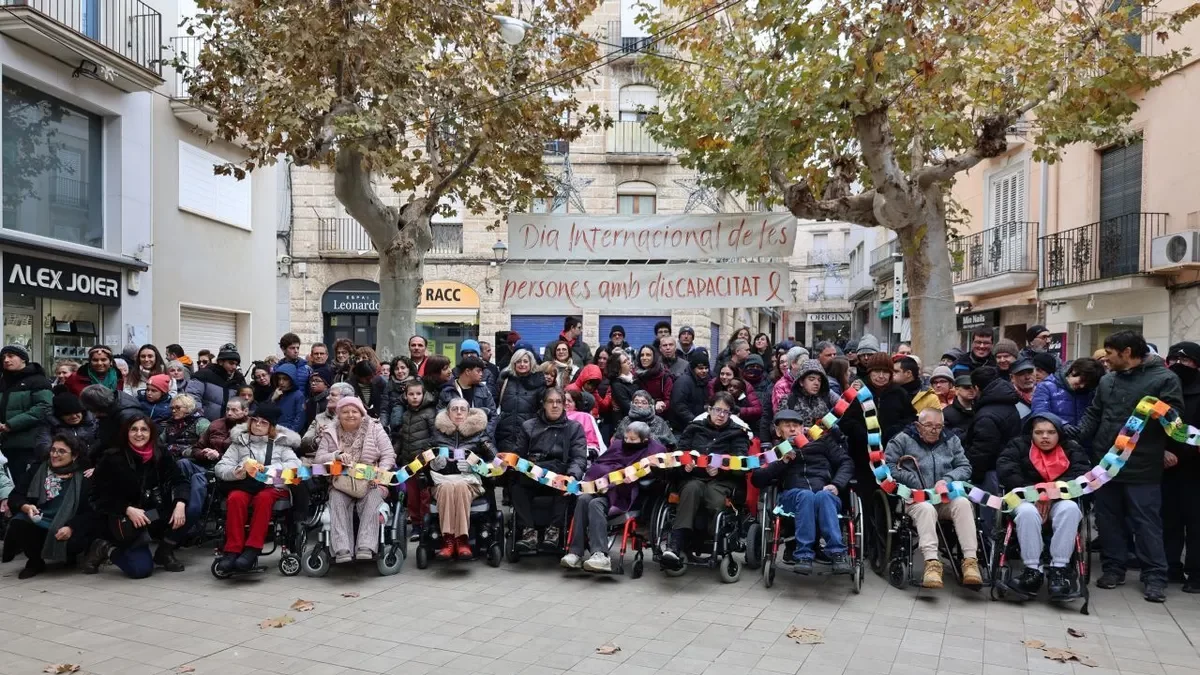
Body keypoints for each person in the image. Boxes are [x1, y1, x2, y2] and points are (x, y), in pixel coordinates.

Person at [1078, 331, 1182, 602]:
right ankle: (1114, 568)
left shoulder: (1164, 379)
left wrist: (1157, 418)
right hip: (1106, 462)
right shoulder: (1107, 380)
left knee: (1146, 521)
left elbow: (1174, 422)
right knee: (1107, 518)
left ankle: (1155, 576)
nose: (1106, 359)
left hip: (1143, 466)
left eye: (1110, 354)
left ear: (1126, 352)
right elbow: (1095, 412)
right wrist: (1077, 434)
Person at [996, 412, 1090, 599]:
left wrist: (1051, 492)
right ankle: (1033, 570)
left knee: (1071, 510)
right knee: (1026, 513)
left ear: (1059, 434)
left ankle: (1059, 570)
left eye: (1050, 432)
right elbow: (1006, 470)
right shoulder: (1018, 446)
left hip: (1060, 499)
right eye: (1039, 432)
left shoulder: (1072, 449)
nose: (1045, 437)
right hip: (1025, 499)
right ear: (1031, 433)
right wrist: (1035, 493)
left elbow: (1081, 475)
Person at [885, 408, 981, 588]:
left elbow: (965, 467)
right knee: (926, 508)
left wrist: (947, 480)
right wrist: (911, 479)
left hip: (943, 497)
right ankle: (932, 564)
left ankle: (970, 562)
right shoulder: (903, 439)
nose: (934, 430)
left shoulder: (951, 440)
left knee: (963, 503)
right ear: (918, 425)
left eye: (938, 426)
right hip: (915, 499)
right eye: (928, 425)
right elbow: (888, 466)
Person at [86, 414, 190, 577]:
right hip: (123, 519)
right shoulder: (112, 458)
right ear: (126, 432)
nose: (139, 434)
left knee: (187, 508)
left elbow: (179, 480)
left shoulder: (160, 453)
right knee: (140, 570)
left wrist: (180, 503)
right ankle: (105, 548)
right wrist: (126, 509)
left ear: (151, 433)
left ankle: (164, 552)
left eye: (144, 429)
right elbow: (96, 496)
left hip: (151, 514)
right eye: (133, 429)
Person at [752, 409, 853, 574]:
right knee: (805, 495)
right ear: (778, 431)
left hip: (824, 492)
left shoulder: (823, 441)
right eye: (787, 426)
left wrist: (836, 484)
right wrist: (781, 462)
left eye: (796, 425)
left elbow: (846, 462)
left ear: (803, 427)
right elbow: (757, 479)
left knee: (824, 495)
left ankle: (837, 553)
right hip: (793, 495)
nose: (793, 429)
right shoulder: (775, 451)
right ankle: (803, 554)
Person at [661, 392, 750, 567]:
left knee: (712, 495)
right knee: (691, 489)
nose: (721, 415)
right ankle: (675, 546)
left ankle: (706, 537)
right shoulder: (694, 428)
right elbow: (680, 453)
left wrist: (721, 469)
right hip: (694, 477)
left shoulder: (737, 434)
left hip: (722, 481)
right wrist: (684, 466)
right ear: (709, 409)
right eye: (717, 410)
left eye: (726, 411)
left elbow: (741, 463)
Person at [562, 421, 663, 573]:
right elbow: (601, 464)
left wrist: (634, 476)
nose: (628, 442)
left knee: (595, 504)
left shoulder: (654, 450)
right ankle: (575, 552)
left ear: (644, 440)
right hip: (601, 487)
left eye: (633, 439)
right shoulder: (617, 445)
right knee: (582, 499)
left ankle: (601, 555)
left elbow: (657, 473)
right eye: (626, 438)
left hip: (623, 493)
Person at [212, 402, 301, 573]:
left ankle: (252, 548)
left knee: (264, 499)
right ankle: (232, 550)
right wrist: (235, 472)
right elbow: (221, 467)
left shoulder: (281, 443)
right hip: (245, 484)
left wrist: (268, 471)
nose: (258, 425)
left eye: (263, 422)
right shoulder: (239, 443)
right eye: (255, 421)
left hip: (272, 487)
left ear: (271, 427)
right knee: (235, 498)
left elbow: (295, 467)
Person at [314, 397, 396, 562]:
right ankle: (341, 548)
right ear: (339, 414)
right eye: (345, 412)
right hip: (341, 482)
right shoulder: (331, 431)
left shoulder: (375, 428)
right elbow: (318, 460)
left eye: (354, 411)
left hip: (371, 479)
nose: (350, 415)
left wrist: (381, 472)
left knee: (372, 498)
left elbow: (388, 454)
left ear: (361, 413)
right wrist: (335, 456)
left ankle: (366, 546)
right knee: (336, 499)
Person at [2, 435, 93, 578]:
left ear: (74, 455)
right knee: (19, 523)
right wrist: (26, 506)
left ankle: (71, 556)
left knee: (75, 542)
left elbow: (90, 512)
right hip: (40, 520)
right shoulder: (38, 469)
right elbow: (15, 496)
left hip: (65, 524)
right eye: (53, 450)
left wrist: (71, 527)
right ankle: (35, 561)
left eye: (61, 451)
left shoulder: (84, 476)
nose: (55, 455)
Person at [838, 352, 917, 517]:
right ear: (870, 372)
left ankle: (888, 536)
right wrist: (861, 433)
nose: (881, 376)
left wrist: (895, 431)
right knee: (866, 500)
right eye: (876, 372)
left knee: (889, 498)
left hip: (891, 455)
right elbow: (845, 420)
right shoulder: (858, 393)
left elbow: (910, 418)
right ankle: (868, 537)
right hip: (862, 456)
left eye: (885, 372)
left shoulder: (899, 393)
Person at [511, 387, 587, 553]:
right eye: (550, 402)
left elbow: (579, 458)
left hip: (559, 473)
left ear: (564, 405)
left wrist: (573, 476)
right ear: (543, 405)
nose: (555, 406)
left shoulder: (574, 428)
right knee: (516, 487)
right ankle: (528, 532)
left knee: (566, 487)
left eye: (559, 402)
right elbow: (519, 455)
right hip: (533, 473)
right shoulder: (528, 426)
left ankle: (554, 531)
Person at [428, 397, 496, 560]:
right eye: (454, 409)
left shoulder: (480, 435)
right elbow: (422, 461)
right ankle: (449, 541)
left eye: (462, 409)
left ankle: (461, 541)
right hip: (442, 481)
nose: (458, 412)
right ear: (447, 413)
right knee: (447, 488)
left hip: (469, 481)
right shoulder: (437, 435)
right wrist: (434, 464)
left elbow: (495, 463)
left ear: (468, 413)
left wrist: (475, 467)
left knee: (459, 486)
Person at [964, 366, 1022, 529]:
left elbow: (983, 450)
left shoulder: (987, 414)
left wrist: (974, 474)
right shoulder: (1009, 405)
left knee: (987, 517)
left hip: (990, 473)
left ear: (977, 388)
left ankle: (988, 548)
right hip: (1008, 467)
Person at [1164, 341, 1200, 592]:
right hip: (1166, 468)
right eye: (1173, 360)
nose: (1178, 365)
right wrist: (1160, 452)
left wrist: (1187, 450)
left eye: (1184, 360)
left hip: (1196, 470)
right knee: (1169, 520)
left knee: (1196, 524)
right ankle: (1170, 567)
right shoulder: (1163, 391)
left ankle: (1196, 573)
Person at [0, 345, 53, 489]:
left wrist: (11, 424)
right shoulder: (3, 382)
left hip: (28, 443)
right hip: (4, 443)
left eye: (11, 356)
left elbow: (44, 407)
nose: (6, 360)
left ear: (23, 358)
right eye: (3, 357)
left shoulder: (37, 381)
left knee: (25, 485)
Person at [394, 379, 438, 534]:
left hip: (424, 463)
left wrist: (425, 452)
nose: (414, 397)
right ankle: (416, 525)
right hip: (408, 462)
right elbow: (402, 436)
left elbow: (435, 436)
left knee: (425, 495)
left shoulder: (430, 413)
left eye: (418, 394)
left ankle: (427, 524)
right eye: (411, 394)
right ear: (405, 396)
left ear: (424, 394)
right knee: (412, 496)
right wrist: (396, 452)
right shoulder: (406, 414)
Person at [1031, 357, 1102, 432]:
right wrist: (1062, 425)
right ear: (1074, 371)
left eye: (1087, 384)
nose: (1082, 386)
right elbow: (1040, 413)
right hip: (1055, 438)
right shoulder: (1046, 387)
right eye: (1082, 380)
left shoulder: (1090, 392)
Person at [495, 349, 546, 451]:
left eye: (525, 361)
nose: (522, 364)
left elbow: (542, 410)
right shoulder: (504, 380)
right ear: (513, 363)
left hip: (529, 435)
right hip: (504, 435)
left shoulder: (539, 382)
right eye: (518, 361)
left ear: (531, 363)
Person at [79, 384, 144, 461]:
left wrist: (100, 465)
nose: (94, 415)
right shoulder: (112, 404)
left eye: (92, 411)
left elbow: (130, 448)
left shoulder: (127, 416)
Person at [438, 355, 497, 432]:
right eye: (478, 371)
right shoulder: (448, 391)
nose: (481, 374)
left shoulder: (484, 389)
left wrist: (484, 435)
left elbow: (493, 416)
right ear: (468, 371)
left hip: (479, 439)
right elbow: (441, 418)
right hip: (455, 440)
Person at [36, 392, 100, 460]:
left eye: (77, 412)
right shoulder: (49, 424)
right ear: (59, 416)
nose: (74, 416)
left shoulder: (92, 422)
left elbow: (102, 442)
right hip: (60, 462)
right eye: (68, 414)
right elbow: (43, 447)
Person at [301, 382, 353, 457]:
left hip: (347, 461)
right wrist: (317, 439)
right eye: (329, 394)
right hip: (317, 462)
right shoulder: (319, 418)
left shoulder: (356, 419)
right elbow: (303, 445)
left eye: (333, 395)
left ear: (345, 398)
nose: (327, 397)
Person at [192, 344, 247, 413]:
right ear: (220, 362)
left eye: (236, 364)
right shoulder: (203, 375)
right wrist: (200, 419)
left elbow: (246, 401)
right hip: (205, 422)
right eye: (231, 363)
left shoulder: (239, 380)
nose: (234, 367)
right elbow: (192, 398)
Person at [669, 351, 712, 432]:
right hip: (682, 428)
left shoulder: (705, 381)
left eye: (706, 368)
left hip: (697, 426)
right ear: (693, 368)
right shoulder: (683, 381)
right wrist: (694, 420)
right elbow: (678, 405)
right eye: (701, 368)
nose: (704, 371)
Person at [381, 356, 417, 433]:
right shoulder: (389, 385)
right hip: (395, 429)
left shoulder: (417, 383)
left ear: (409, 369)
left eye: (403, 368)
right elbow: (385, 410)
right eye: (396, 369)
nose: (400, 371)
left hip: (415, 428)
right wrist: (383, 427)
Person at [606, 349, 638, 428]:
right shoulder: (617, 385)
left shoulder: (634, 379)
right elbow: (628, 407)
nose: (629, 362)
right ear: (618, 367)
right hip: (626, 426)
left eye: (628, 360)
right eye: (625, 362)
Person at [270, 362, 306, 433]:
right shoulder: (276, 393)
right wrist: (272, 400)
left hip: (289, 433)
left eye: (285, 379)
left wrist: (290, 434)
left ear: (292, 380)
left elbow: (299, 419)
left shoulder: (298, 395)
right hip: (274, 431)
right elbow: (265, 413)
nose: (281, 382)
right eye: (279, 379)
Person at [772, 346, 810, 414]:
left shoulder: (811, 381)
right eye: (803, 363)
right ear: (793, 364)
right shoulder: (780, 386)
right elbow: (781, 414)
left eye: (808, 363)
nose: (807, 366)